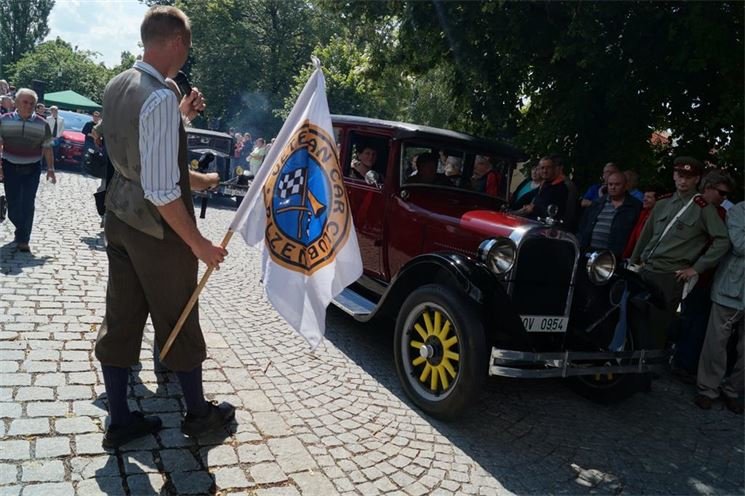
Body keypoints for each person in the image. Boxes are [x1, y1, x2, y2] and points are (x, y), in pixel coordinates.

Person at [94, 5, 234, 449]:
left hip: (118, 216)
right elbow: (160, 187)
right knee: (179, 316)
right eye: (187, 45)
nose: (187, 54)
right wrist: (199, 244)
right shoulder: (157, 97)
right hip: (156, 230)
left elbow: (142, 150)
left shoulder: (120, 84)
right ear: (176, 42)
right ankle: (197, 414)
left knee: (121, 317)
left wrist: (181, 117)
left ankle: (120, 420)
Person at [628, 157, 729, 349]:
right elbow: (645, 236)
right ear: (674, 175)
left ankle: (648, 369)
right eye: (680, 175)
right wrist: (633, 263)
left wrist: (697, 268)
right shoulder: (662, 203)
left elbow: (722, 240)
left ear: (697, 180)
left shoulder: (702, 207)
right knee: (634, 318)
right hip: (646, 268)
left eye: (689, 178)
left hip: (670, 274)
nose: (683, 181)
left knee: (657, 325)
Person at [673, 169, 734, 379]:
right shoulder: (693, 206)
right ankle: (679, 361)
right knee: (690, 319)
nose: (725, 198)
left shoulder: (720, 212)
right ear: (708, 188)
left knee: (694, 321)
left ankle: (683, 362)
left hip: (702, 275)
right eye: (722, 193)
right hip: (686, 271)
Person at [694, 202, 744, 414]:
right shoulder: (739, 211)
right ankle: (708, 389)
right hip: (731, 288)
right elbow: (740, 244)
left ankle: (733, 390)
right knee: (716, 342)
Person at [0, 88, 56, 252]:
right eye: (25, 102)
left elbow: (47, 148)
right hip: (10, 165)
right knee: (14, 203)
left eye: (32, 103)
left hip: (32, 167)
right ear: (16, 103)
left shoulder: (43, 124)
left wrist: (51, 168)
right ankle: (18, 224)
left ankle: (24, 238)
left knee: (28, 202)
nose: (29, 106)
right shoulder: (4, 120)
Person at [577, 171, 641, 257]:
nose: (613, 187)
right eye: (610, 184)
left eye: (617, 184)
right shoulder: (597, 203)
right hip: (589, 252)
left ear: (625, 186)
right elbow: (583, 226)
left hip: (614, 256)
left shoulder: (634, 206)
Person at [515, 155, 569, 221]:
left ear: (554, 169)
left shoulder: (561, 188)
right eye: (542, 168)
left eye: (548, 168)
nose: (545, 171)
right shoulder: (545, 184)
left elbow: (553, 212)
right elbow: (527, 197)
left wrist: (532, 208)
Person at [623, 186, 661, 259]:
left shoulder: (659, 218)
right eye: (644, 196)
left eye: (649, 197)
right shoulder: (642, 214)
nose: (644, 199)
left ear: (658, 200)